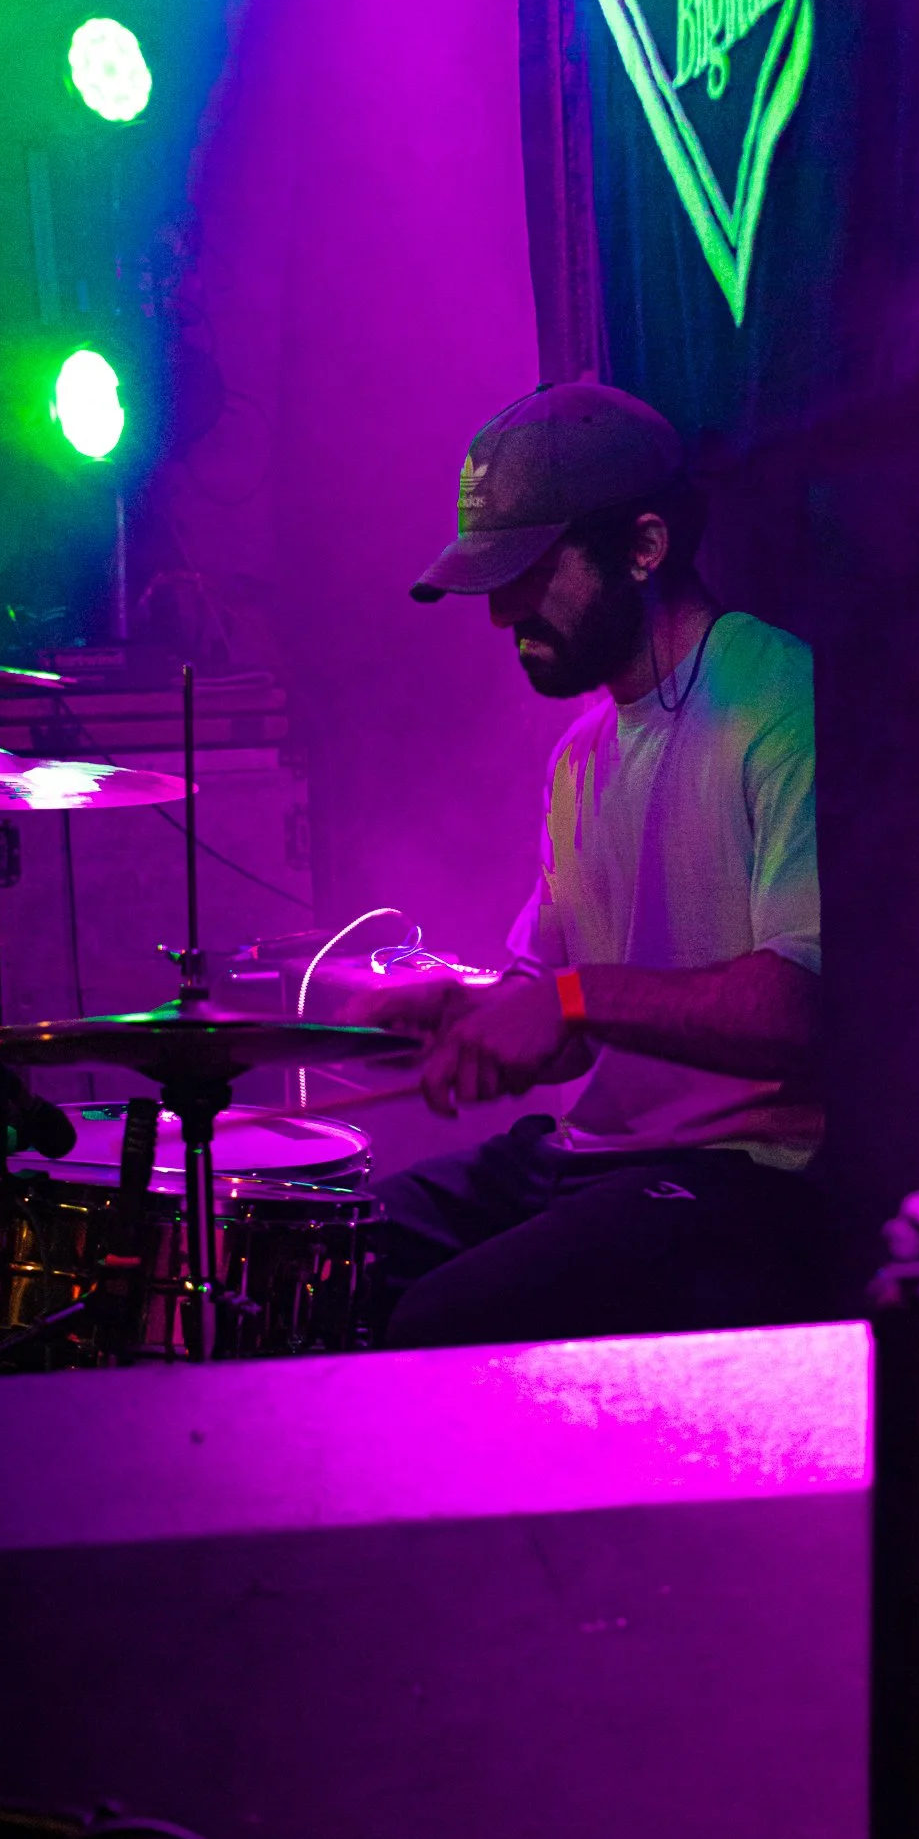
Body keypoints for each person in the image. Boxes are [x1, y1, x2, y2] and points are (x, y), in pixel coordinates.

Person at [359, 380, 824, 1347]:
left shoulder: (778, 699)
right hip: (591, 1152)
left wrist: (568, 1000)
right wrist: (475, 1012)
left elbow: (795, 1008)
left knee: (437, 1324)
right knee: (337, 1261)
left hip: (741, 1173)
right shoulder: (581, 754)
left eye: (529, 572)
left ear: (643, 548)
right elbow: (560, 1020)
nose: (499, 615)